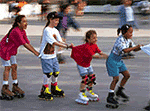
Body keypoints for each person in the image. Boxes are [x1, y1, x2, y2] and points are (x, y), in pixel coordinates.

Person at [0, 15, 39, 100]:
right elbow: (25, 45)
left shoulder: (22, 31)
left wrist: (37, 52)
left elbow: (27, 43)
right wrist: (36, 53)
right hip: (4, 50)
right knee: (8, 67)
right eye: (24, 22)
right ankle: (5, 88)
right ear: (18, 23)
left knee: (14, 67)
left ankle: (15, 86)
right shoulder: (16, 31)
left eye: (26, 21)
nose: (26, 23)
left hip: (12, 50)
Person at [106, 24, 143, 108]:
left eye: (132, 32)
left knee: (127, 75)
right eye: (130, 32)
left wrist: (141, 47)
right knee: (116, 78)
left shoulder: (128, 40)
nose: (131, 34)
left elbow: (134, 48)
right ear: (124, 32)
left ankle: (119, 90)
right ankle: (110, 96)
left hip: (118, 60)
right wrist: (135, 48)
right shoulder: (120, 40)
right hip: (112, 60)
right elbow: (125, 50)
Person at [38, 11, 72, 100]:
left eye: (58, 20)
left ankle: (54, 88)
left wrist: (69, 45)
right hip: (46, 56)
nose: (57, 22)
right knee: (48, 73)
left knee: (56, 72)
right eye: (55, 20)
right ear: (50, 20)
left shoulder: (55, 30)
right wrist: (67, 46)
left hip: (53, 55)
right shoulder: (47, 30)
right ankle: (45, 89)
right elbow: (54, 42)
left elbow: (60, 41)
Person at [70, 30, 108, 105]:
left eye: (96, 37)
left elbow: (100, 53)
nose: (96, 39)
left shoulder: (95, 46)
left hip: (88, 64)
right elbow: (94, 56)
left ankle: (89, 91)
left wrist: (109, 57)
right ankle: (81, 94)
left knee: (92, 77)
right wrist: (103, 57)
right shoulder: (87, 47)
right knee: (85, 79)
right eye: (93, 38)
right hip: (81, 64)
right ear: (88, 39)